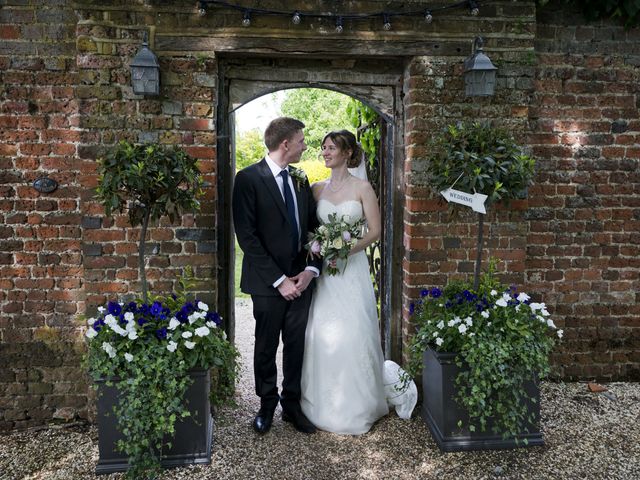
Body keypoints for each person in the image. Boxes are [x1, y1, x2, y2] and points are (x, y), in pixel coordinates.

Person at [232, 117, 321, 434]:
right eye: (301, 141)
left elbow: (313, 227)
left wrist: (310, 270)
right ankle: (266, 404)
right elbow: (247, 236)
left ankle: (292, 406)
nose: (304, 146)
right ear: (285, 144)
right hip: (267, 283)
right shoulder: (247, 179)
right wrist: (279, 280)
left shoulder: (300, 178)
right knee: (266, 346)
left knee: (296, 345)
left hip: (301, 280)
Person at [300, 129, 389, 434]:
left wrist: (343, 250)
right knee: (321, 331)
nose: (325, 152)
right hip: (326, 273)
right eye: (323, 148)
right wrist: (320, 249)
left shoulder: (363, 188)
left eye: (331, 148)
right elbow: (307, 229)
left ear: (348, 152)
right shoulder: (315, 189)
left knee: (354, 331)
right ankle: (321, 401)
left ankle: (358, 403)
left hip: (351, 269)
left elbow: (375, 231)